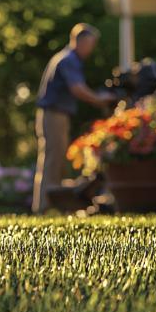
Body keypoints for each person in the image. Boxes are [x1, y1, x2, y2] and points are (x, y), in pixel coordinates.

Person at [32, 23, 114, 214]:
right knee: (53, 159)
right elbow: (77, 88)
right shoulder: (68, 60)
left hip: (56, 114)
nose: (90, 50)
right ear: (80, 41)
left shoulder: (66, 58)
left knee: (57, 159)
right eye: (90, 45)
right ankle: (45, 206)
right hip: (54, 114)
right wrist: (99, 100)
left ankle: (55, 204)